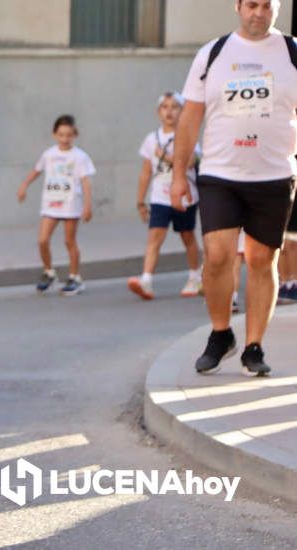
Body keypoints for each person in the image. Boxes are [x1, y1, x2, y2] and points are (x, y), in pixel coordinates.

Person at [171, 0, 297, 376]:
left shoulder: (291, 52)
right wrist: (179, 173)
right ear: (238, 7)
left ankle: (254, 347)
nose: (259, 13)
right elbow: (191, 116)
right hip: (221, 174)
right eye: (252, 5)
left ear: (277, 8)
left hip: (274, 175)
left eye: (267, 6)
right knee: (218, 255)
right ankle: (221, 333)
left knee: (262, 261)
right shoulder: (213, 53)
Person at [127, 92, 203, 300]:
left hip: (184, 195)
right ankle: (147, 280)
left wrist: (165, 156)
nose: (169, 112)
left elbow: (189, 163)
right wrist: (140, 201)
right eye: (165, 107)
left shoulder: (188, 135)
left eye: (174, 107)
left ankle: (195, 275)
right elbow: (145, 172)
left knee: (187, 235)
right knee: (155, 236)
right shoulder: (152, 139)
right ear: (158, 112)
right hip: (160, 196)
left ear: (182, 111)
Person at [17, 115, 96, 295]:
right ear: (54, 134)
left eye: (68, 135)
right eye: (61, 135)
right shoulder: (49, 154)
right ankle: (49, 272)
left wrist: (87, 205)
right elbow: (37, 170)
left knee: (69, 241)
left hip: (70, 203)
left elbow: (85, 182)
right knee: (42, 240)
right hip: (51, 203)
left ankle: (75, 277)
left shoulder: (79, 157)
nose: (65, 139)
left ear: (74, 135)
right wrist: (24, 186)